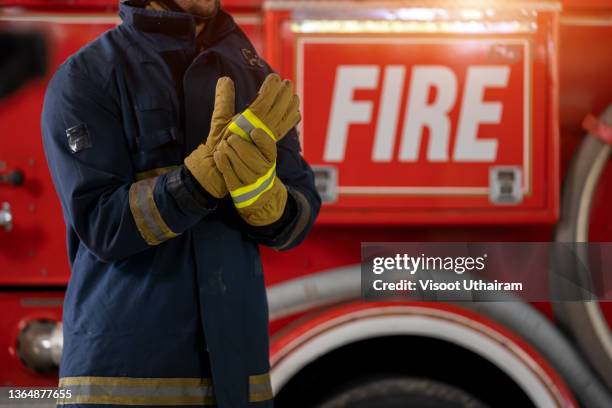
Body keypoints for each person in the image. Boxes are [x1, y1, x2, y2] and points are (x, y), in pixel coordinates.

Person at [41, 0, 321, 406]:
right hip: (123, 383)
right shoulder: (89, 76)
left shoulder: (255, 76)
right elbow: (102, 224)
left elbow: (301, 209)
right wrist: (195, 185)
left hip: (237, 381)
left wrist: (264, 197)